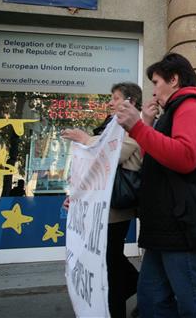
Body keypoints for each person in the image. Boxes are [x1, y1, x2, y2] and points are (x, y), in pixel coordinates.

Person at [115, 53, 196, 317]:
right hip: (166, 229)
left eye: (156, 82)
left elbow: (186, 157)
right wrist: (147, 124)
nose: (153, 90)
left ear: (174, 79)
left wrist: (139, 128)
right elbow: (152, 162)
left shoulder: (191, 104)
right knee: (152, 303)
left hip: (186, 230)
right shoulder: (172, 112)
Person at [62, 82, 142, 318]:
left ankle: (122, 298)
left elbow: (113, 155)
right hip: (100, 208)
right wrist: (75, 197)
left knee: (109, 263)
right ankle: (131, 290)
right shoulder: (109, 127)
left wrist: (84, 139)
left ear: (131, 102)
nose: (110, 102)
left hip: (115, 208)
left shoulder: (132, 126)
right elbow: (92, 168)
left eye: (116, 98)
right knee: (108, 260)